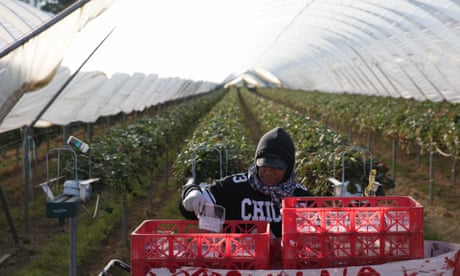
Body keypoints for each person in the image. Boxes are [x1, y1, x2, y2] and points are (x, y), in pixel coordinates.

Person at [179, 126, 313, 239]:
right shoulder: (233, 188)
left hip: (286, 268)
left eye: (277, 166)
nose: (269, 171)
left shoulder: (301, 197)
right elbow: (193, 212)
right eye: (264, 164)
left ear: (289, 168)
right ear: (256, 162)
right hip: (237, 264)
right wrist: (192, 192)